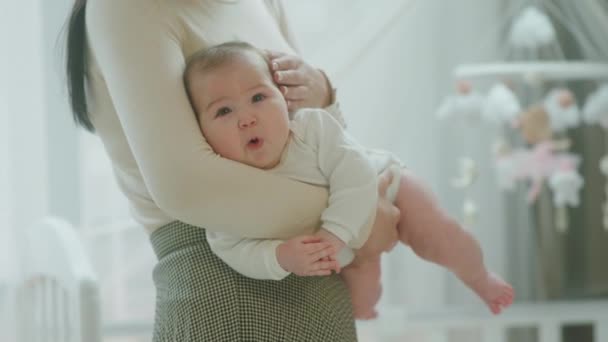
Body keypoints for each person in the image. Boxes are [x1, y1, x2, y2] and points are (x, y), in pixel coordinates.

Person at [65, 0, 401, 340]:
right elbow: (187, 187)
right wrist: (358, 216)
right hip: (226, 281)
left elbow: (309, 131)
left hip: (320, 285)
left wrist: (324, 90)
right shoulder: (126, 8)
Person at [183, 41, 516, 320]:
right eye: (224, 111)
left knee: (442, 238)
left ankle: (480, 277)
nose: (247, 118)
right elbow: (231, 246)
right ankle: (372, 316)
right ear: (200, 134)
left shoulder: (312, 128)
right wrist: (280, 257)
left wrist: (334, 234)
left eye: (258, 98)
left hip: (388, 186)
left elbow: (355, 174)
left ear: (283, 100)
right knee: (359, 306)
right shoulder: (227, 189)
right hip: (345, 248)